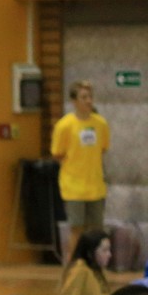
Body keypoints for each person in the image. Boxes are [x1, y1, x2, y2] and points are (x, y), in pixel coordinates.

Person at [52, 80, 110, 259]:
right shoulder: (64, 125)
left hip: (95, 185)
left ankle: (94, 265)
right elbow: (57, 153)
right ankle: (74, 265)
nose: (88, 101)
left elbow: (103, 148)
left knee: (96, 229)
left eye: (90, 97)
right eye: (84, 97)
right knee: (76, 227)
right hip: (74, 186)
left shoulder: (100, 124)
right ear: (74, 101)